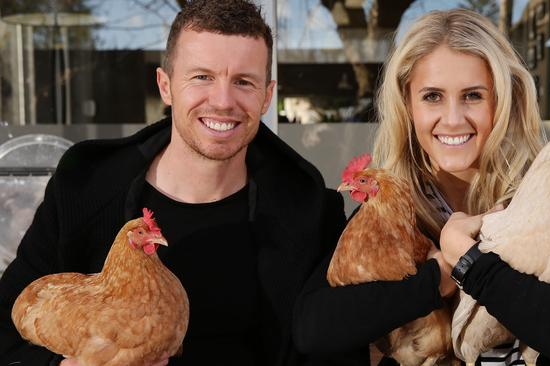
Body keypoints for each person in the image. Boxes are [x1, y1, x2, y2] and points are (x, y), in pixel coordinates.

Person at [0, 1, 368, 365]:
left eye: (243, 81)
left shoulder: (309, 210)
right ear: (165, 85)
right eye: (202, 77)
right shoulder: (85, 187)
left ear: (267, 95)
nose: (223, 101)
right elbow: (6, 328)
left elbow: (336, 350)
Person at [293, 8, 550, 366]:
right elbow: (313, 327)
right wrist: (436, 278)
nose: (454, 118)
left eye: (473, 95)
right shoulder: (392, 211)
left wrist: (470, 263)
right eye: (432, 97)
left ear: (503, 101)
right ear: (408, 106)